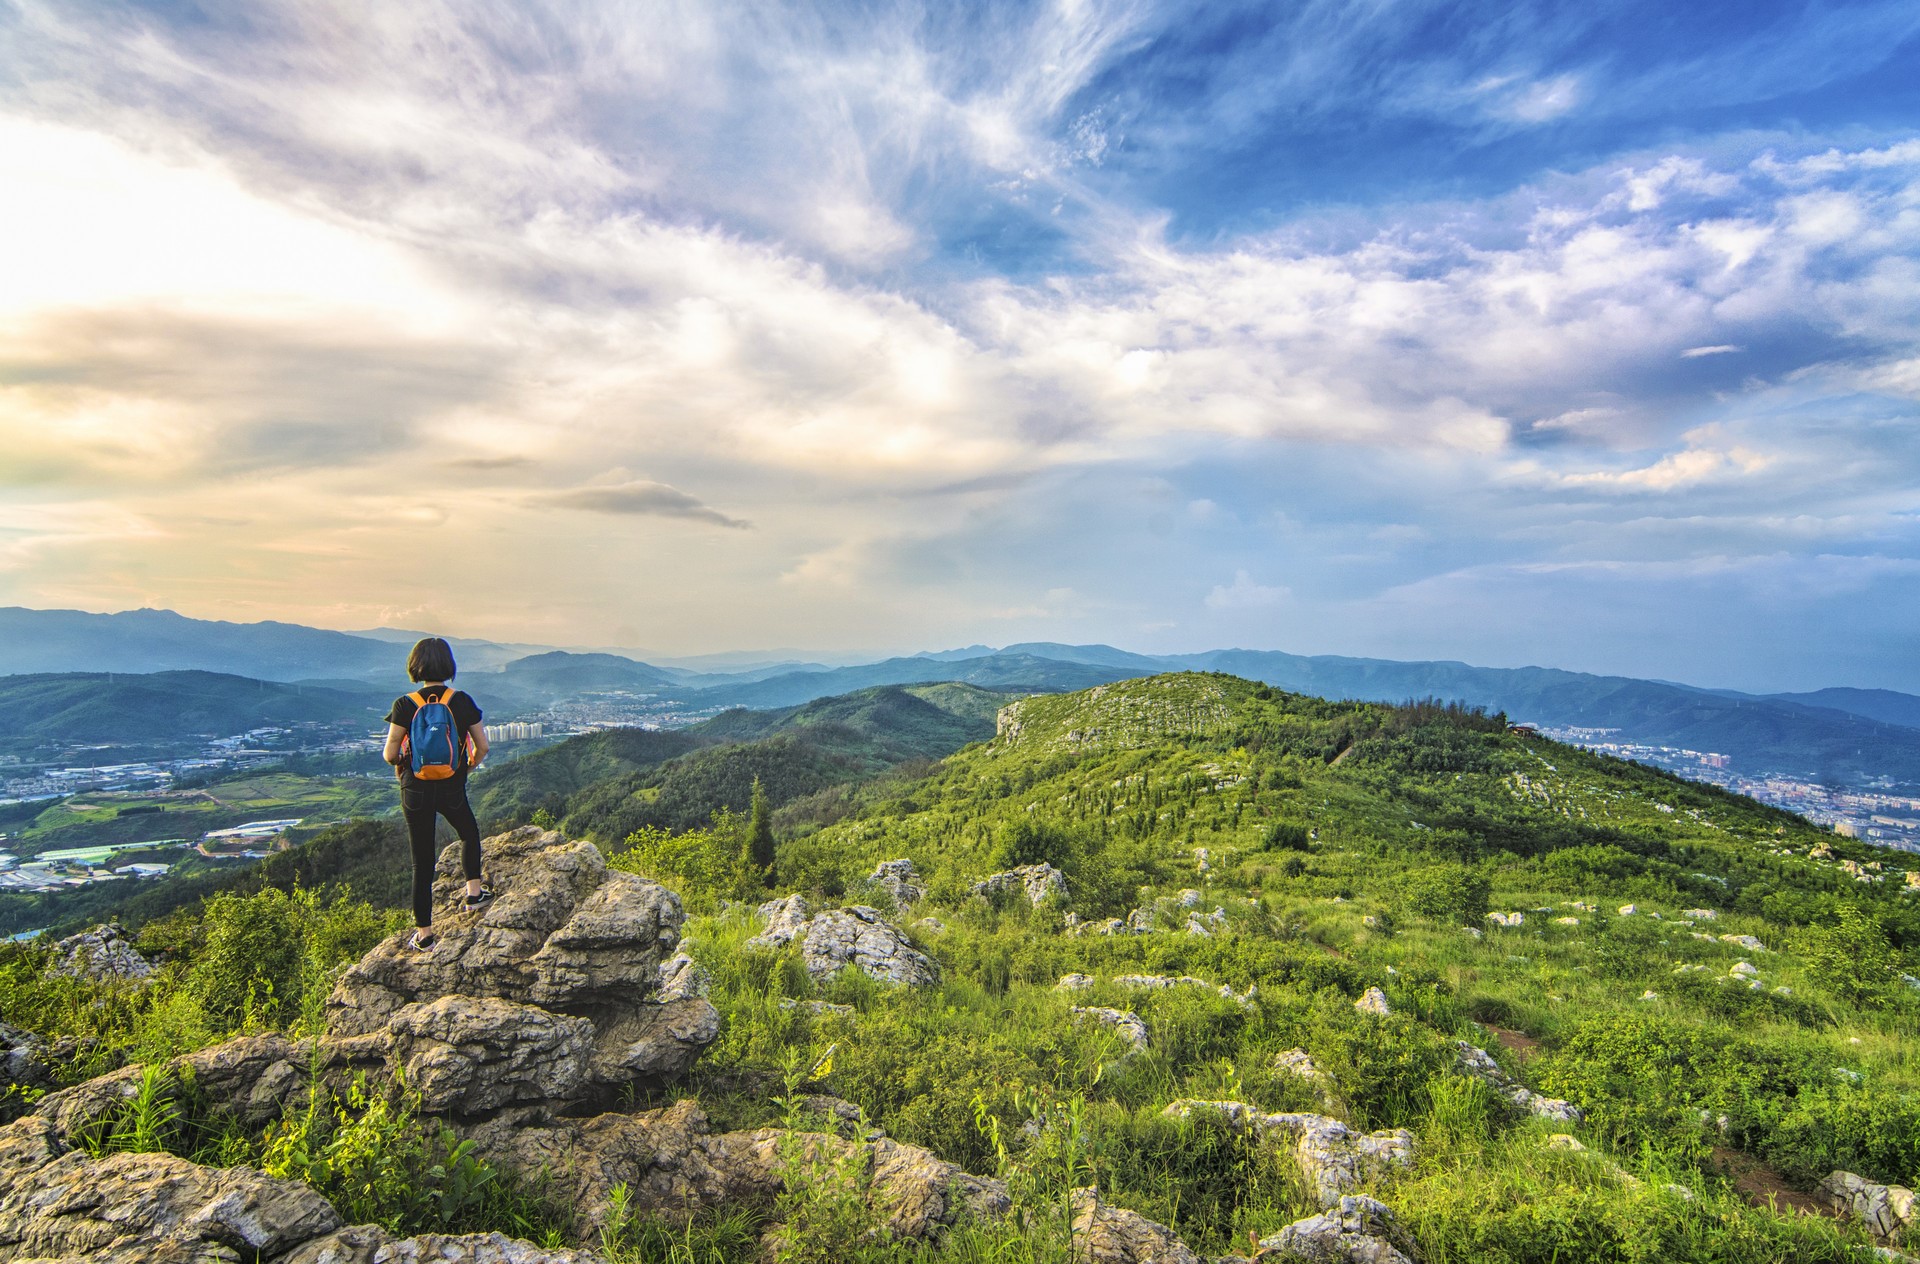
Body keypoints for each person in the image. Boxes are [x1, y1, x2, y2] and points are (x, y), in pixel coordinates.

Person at [382, 636, 492, 952]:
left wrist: (404, 763)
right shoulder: (461, 701)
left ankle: (425, 935)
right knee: (469, 832)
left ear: (415, 666)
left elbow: (390, 753)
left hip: (414, 788)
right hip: (451, 785)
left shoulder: (405, 704)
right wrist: (466, 768)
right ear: (448, 666)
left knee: (422, 859)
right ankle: (474, 893)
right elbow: (482, 747)